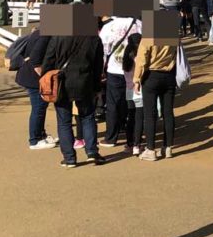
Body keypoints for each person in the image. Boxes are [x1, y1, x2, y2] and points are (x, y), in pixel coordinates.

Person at [41, 31, 106, 167]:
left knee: (64, 121)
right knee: (88, 117)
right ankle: (92, 152)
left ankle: (69, 157)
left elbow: (48, 60)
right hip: (85, 81)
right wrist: (97, 87)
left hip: (61, 82)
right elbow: (98, 65)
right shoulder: (93, 38)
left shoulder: (58, 36)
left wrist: (45, 79)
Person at [133, 31, 180, 161]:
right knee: (168, 112)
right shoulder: (173, 35)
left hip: (151, 76)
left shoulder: (149, 36)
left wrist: (136, 79)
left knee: (150, 114)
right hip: (169, 75)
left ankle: (150, 149)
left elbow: (142, 59)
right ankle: (168, 147)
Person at [99, 13, 142, 147]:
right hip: (134, 71)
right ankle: (132, 136)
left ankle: (111, 137)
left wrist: (101, 70)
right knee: (132, 104)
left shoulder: (109, 26)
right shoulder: (139, 24)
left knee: (113, 104)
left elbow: (103, 50)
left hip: (114, 69)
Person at [12, 24, 55, 150]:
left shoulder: (39, 31)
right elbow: (36, 59)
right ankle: (34, 140)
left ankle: (41, 135)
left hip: (29, 75)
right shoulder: (45, 35)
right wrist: (44, 78)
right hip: (34, 78)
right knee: (39, 108)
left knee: (41, 107)